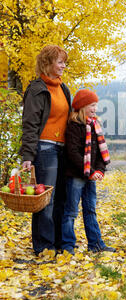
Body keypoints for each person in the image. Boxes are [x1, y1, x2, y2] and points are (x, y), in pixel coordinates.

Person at [20, 45, 71, 257]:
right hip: (44, 149)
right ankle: (44, 245)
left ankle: (58, 243)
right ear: (47, 63)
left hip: (62, 149)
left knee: (60, 198)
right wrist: (28, 156)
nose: (63, 66)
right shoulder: (37, 89)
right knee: (45, 200)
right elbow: (30, 125)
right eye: (60, 62)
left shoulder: (63, 89)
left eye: (64, 62)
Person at [61, 89, 115, 255]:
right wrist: (90, 171)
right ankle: (68, 246)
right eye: (92, 105)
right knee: (70, 211)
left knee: (90, 210)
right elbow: (73, 154)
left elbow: (99, 153)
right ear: (82, 106)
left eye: (96, 105)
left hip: (90, 175)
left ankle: (96, 244)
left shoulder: (94, 125)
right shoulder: (74, 126)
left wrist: (99, 170)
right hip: (76, 176)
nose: (95, 108)